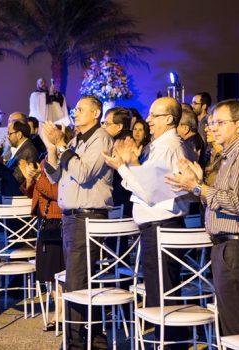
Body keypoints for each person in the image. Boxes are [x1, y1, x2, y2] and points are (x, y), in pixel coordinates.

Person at [103, 97, 194, 350]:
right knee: (160, 291)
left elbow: (150, 192)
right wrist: (131, 164)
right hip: (158, 226)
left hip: (162, 225)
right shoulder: (160, 145)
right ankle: (169, 342)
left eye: (154, 115)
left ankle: (171, 344)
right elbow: (147, 184)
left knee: (162, 293)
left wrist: (124, 166)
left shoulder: (168, 146)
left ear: (169, 119)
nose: (148, 120)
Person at [165, 99, 239, 337]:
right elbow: (220, 199)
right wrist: (200, 184)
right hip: (225, 246)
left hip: (237, 247)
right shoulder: (227, 156)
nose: (212, 127)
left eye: (219, 122)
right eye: (212, 122)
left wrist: (197, 187)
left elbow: (236, 203)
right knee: (231, 326)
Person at [42, 96, 114, 350]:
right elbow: (54, 176)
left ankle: (77, 342)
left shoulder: (101, 138)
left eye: (81, 109)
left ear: (96, 113)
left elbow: (83, 173)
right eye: (76, 109)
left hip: (87, 216)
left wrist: (62, 146)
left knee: (77, 282)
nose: (76, 112)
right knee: (75, 280)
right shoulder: (75, 140)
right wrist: (53, 148)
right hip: (71, 216)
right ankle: (90, 339)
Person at [19, 125, 74, 331]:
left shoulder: (67, 161)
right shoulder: (44, 160)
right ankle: (57, 310)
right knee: (50, 271)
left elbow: (56, 191)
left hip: (57, 219)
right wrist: (29, 179)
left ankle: (60, 312)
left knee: (59, 270)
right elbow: (33, 192)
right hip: (44, 220)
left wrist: (39, 178)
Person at [0, 120, 38, 196]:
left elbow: (16, 179)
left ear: (19, 134)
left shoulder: (28, 150)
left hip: (17, 199)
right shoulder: (20, 149)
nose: (8, 137)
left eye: (10, 134)